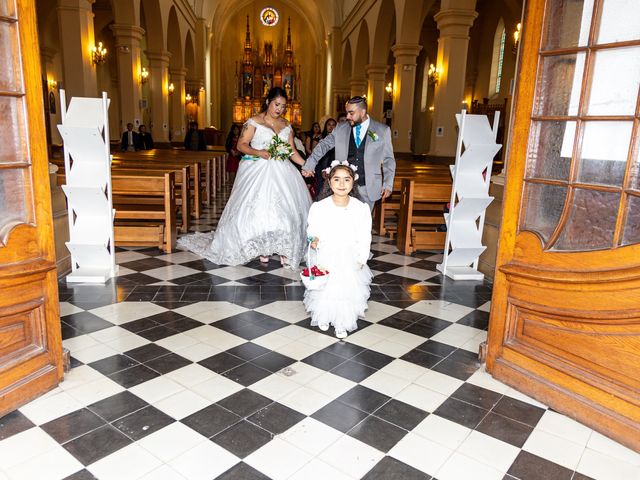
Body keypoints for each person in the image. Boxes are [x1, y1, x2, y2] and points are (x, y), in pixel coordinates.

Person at [177, 87, 312, 268]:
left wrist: (306, 165)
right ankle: (262, 247)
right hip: (258, 169)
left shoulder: (286, 125)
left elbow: (292, 151)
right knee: (258, 209)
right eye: (276, 104)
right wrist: (259, 152)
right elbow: (241, 145)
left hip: (283, 171)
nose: (279, 109)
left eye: (283, 106)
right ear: (268, 102)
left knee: (285, 210)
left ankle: (284, 248)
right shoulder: (253, 122)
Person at [304, 161, 372, 339]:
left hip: (350, 255)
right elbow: (312, 228)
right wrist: (314, 239)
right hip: (326, 253)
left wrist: (362, 257)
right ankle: (324, 315)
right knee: (325, 289)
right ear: (329, 182)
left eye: (346, 179)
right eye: (337, 179)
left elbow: (365, 235)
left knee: (345, 289)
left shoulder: (360, 208)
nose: (342, 184)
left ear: (353, 182)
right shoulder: (320, 207)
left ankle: (342, 321)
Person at [302, 96, 396, 211]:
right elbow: (323, 145)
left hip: (368, 187)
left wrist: (388, 184)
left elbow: (388, 159)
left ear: (363, 112)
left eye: (351, 113)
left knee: (362, 225)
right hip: (343, 187)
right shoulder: (341, 128)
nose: (347, 117)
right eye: (347, 113)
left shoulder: (382, 130)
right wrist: (310, 164)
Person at [313, 118, 336, 200]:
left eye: (333, 125)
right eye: (329, 124)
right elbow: (314, 152)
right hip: (321, 164)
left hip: (332, 164)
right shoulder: (320, 137)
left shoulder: (337, 139)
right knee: (320, 186)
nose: (331, 127)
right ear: (326, 126)